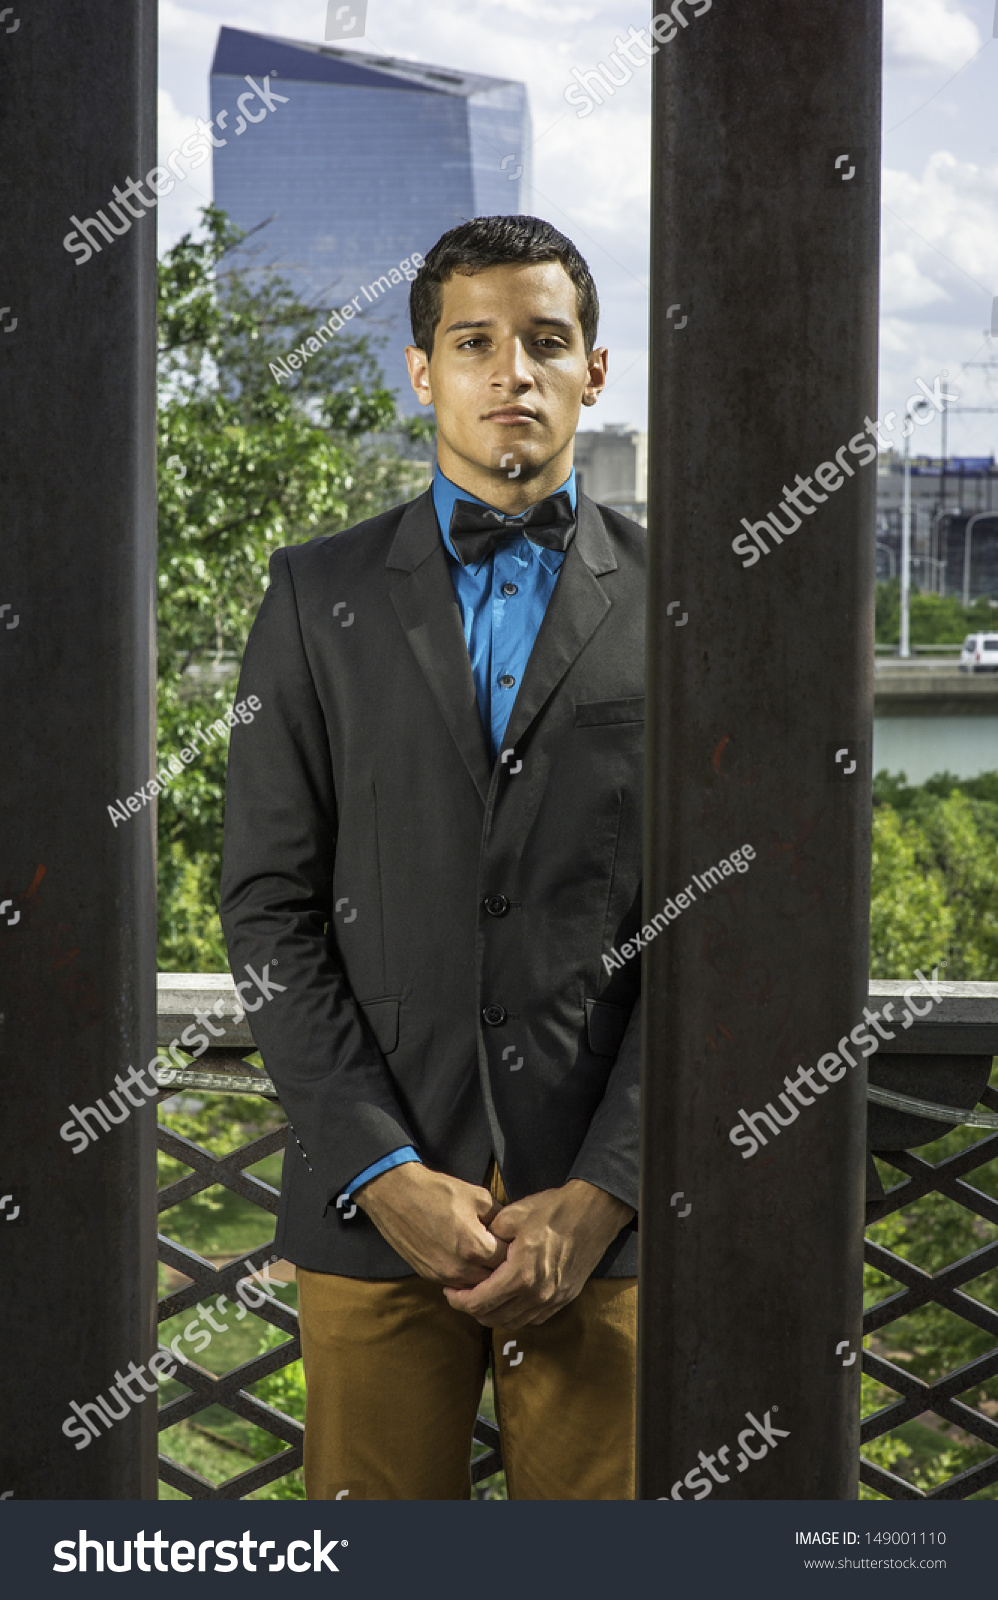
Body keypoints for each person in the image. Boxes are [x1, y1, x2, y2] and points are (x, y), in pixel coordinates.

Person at [219, 215, 646, 1500]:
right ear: (422, 373)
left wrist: (609, 1185)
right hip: (372, 1218)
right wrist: (379, 1169)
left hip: (603, 1231)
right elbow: (265, 908)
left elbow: (732, 932)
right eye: (473, 342)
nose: (510, 369)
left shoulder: (691, 602)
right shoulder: (312, 594)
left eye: (544, 341)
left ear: (595, 370)